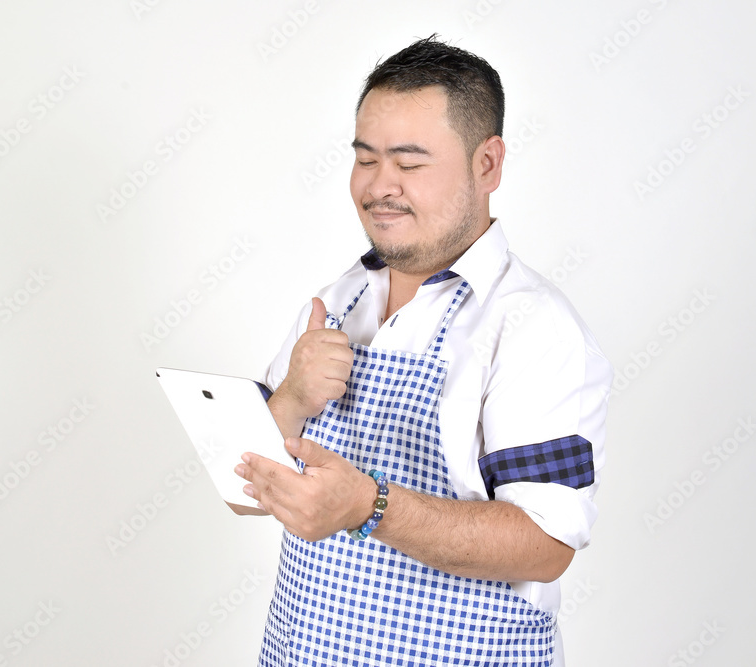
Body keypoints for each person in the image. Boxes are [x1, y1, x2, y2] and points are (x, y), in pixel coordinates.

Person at [233, 35, 612, 666]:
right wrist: (292, 399)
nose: (381, 187)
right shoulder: (339, 299)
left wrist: (368, 506)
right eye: (366, 159)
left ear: (487, 164)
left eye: (409, 164)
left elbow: (547, 546)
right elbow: (246, 490)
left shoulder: (531, 327)